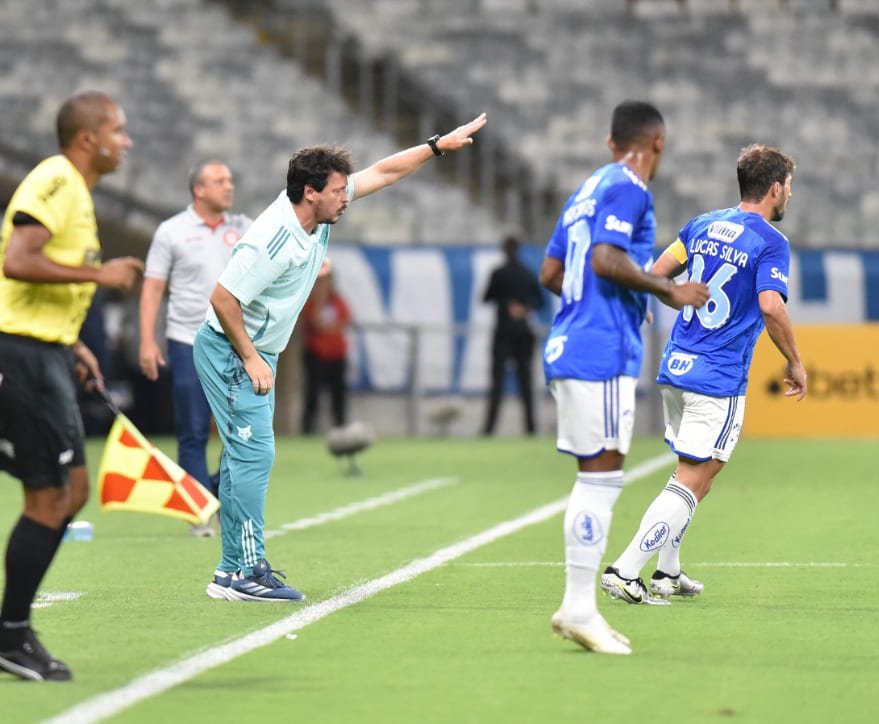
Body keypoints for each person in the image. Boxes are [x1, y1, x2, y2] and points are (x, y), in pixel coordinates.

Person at [196, 113, 488, 602]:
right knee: (254, 455)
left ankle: (230, 572)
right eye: (337, 191)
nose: (346, 197)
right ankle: (246, 571)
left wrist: (436, 146)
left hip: (254, 350)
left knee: (242, 458)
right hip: (232, 349)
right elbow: (223, 299)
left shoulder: (318, 212)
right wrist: (250, 357)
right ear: (310, 192)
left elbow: (384, 172)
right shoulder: (273, 239)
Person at [0, 90, 143, 681]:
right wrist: (101, 274)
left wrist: (71, 344)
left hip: (43, 352)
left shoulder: (78, 191)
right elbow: (19, 261)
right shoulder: (57, 178)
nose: (126, 142)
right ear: (89, 138)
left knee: (72, 492)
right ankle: (10, 635)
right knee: (48, 499)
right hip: (16, 354)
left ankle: (13, 631)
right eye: (118, 131)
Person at [600, 144, 806, 608]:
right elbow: (771, 306)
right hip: (717, 376)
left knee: (697, 473)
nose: (790, 194)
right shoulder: (771, 242)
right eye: (790, 186)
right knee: (694, 477)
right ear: (775, 189)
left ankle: (667, 571)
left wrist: (675, 300)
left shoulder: (702, 225)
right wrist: (794, 360)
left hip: (677, 366)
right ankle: (625, 570)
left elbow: (658, 274)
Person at [538, 100, 709, 655]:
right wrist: (668, 289)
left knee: (596, 476)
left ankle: (579, 607)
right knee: (601, 479)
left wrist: (606, 302)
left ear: (611, 142)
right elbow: (606, 261)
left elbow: (552, 271)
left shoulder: (587, 189)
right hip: (602, 351)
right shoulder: (630, 188)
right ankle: (579, 609)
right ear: (658, 142)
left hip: (570, 343)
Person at [140, 160, 251, 536]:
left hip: (234, 341)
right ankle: (200, 511)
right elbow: (153, 287)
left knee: (243, 432)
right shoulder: (171, 231)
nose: (229, 186)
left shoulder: (244, 228)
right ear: (199, 190)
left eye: (230, 180)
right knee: (192, 429)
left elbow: (277, 254)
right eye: (220, 181)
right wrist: (147, 340)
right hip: (187, 339)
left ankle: (210, 492)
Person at [480, 234, 544, 436]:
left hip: (503, 333)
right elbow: (540, 301)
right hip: (523, 333)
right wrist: (524, 308)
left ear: (504, 249)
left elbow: (486, 297)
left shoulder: (498, 273)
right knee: (526, 383)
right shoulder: (526, 273)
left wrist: (504, 300)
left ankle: (489, 429)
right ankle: (530, 428)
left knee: (497, 383)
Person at [300, 272, 352, 435]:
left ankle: (341, 428)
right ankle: (308, 430)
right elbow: (314, 323)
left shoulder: (338, 302)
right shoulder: (311, 303)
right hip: (316, 355)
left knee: (338, 394)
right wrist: (319, 301)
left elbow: (343, 323)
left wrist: (328, 328)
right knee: (312, 394)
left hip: (336, 355)